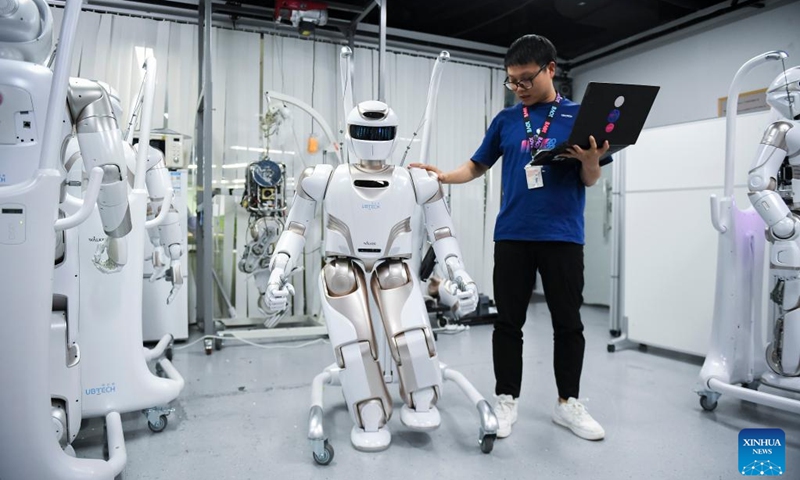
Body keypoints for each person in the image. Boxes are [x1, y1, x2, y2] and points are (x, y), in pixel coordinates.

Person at [410, 34, 609, 441]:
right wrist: (444, 176)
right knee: (508, 323)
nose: (518, 88)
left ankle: (568, 403)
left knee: (568, 324)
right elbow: (477, 164)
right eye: (512, 82)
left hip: (563, 237)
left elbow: (589, 179)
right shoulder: (505, 120)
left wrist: (590, 161)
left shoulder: (578, 116)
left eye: (525, 80)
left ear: (550, 69)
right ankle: (506, 399)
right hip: (513, 235)